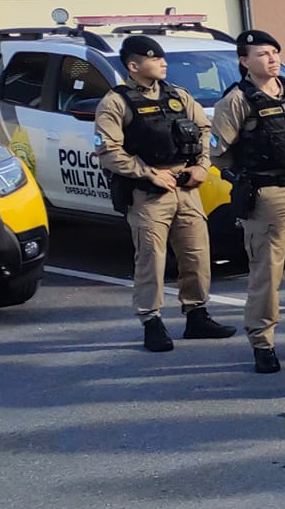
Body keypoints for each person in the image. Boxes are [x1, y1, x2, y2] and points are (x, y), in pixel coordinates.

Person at [96, 34, 235, 351]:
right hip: (147, 192)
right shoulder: (117, 102)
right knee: (151, 259)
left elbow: (204, 130)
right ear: (133, 65)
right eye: (153, 58)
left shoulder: (179, 96)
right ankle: (151, 320)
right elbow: (108, 151)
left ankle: (197, 314)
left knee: (197, 254)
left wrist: (201, 166)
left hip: (186, 186)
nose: (162, 62)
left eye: (162, 57)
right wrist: (148, 174)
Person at [211, 29, 285, 372]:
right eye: (263, 54)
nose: (273, 59)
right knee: (267, 273)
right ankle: (262, 341)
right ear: (244, 61)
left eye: (275, 52)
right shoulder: (237, 100)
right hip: (266, 196)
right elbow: (219, 152)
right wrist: (246, 178)